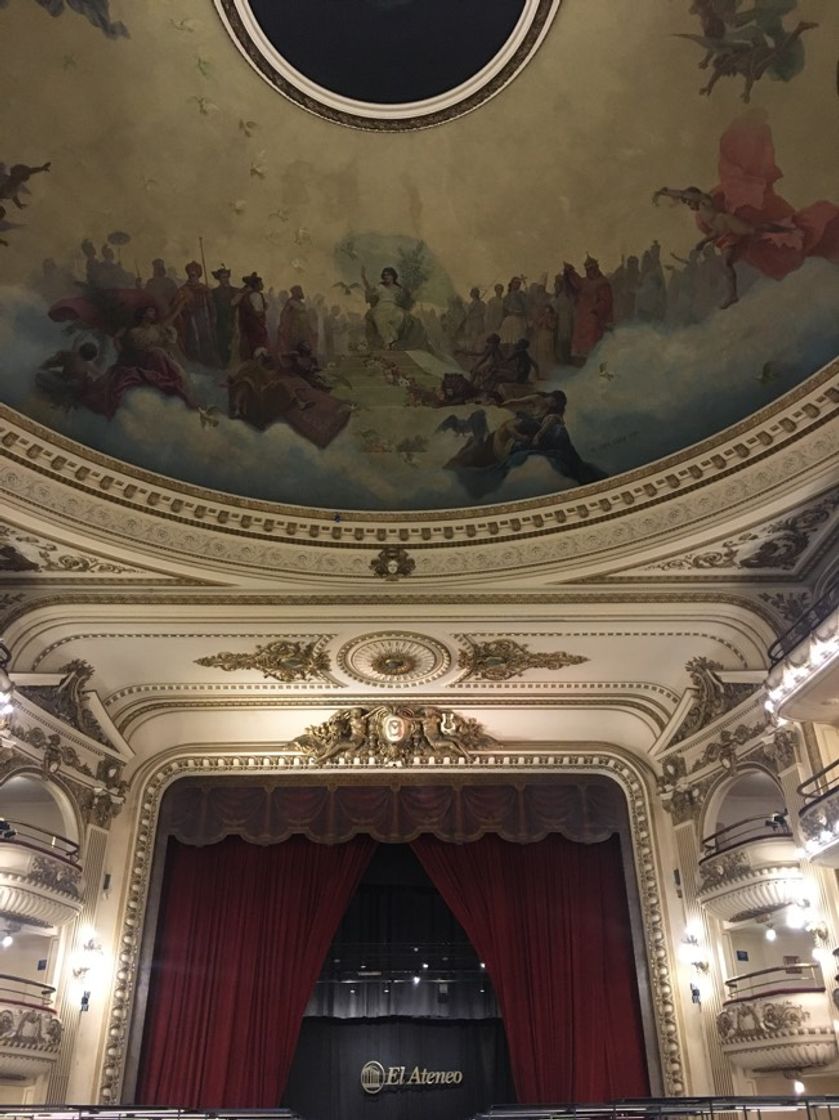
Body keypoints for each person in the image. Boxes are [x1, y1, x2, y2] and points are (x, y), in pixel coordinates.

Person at [562, 256, 613, 365]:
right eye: (589, 270)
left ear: (597, 268)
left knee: (593, 344)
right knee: (580, 343)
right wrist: (570, 272)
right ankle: (581, 363)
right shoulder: (584, 281)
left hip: (594, 318)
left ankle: (594, 365)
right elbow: (576, 283)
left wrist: (596, 310)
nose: (591, 272)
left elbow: (606, 301)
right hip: (582, 318)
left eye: (593, 269)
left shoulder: (602, 283)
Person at [175, 261, 219, 366]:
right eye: (190, 275)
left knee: (207, 341)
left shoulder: (204, 289)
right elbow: (178, 307)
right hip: (190, 319)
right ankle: (195, 363)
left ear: (198, 275)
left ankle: (209, 363)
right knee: (193, 341)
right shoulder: (183, 290)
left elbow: (211, 305)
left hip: (204, 319)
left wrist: (213, 317)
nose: (192, 277)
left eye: (194, 275)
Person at [232, 272, 268, 361]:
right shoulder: (255, 295)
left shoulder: (251, 294)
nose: (262, 285)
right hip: (255, 325)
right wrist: (265, 309)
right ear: (256, 285)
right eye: (260, 283)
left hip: (249, 326)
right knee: (257, 344)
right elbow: (257, 313)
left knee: (252, 344)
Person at [210, 265, 236, 366]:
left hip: (233, 320)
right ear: (219, 279)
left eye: (227, 277)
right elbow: (216, 307)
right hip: (221, 322)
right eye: (223, 277)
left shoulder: (234, 290)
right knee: (223, 344)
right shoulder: (214, 292)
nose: (226, 279)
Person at [277, 284, 314, 355]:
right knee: (294, 345)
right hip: (294, 328)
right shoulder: (291, 302)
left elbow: (306, 316)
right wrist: (283, 325)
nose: (301, 292)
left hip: (303, 328)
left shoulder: (301, 303)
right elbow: (284, 314)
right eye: (299, 291)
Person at [498, 276, 528, 347]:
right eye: (515, 283)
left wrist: (520, 313)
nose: (517, 285)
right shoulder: (506, 297)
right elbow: (504, 311)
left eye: (518, 283)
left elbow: (526, 307)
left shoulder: (521, 294)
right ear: (511, 284)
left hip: (519, 320)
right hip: (509, 321)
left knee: (517, 342)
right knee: (507, 341)